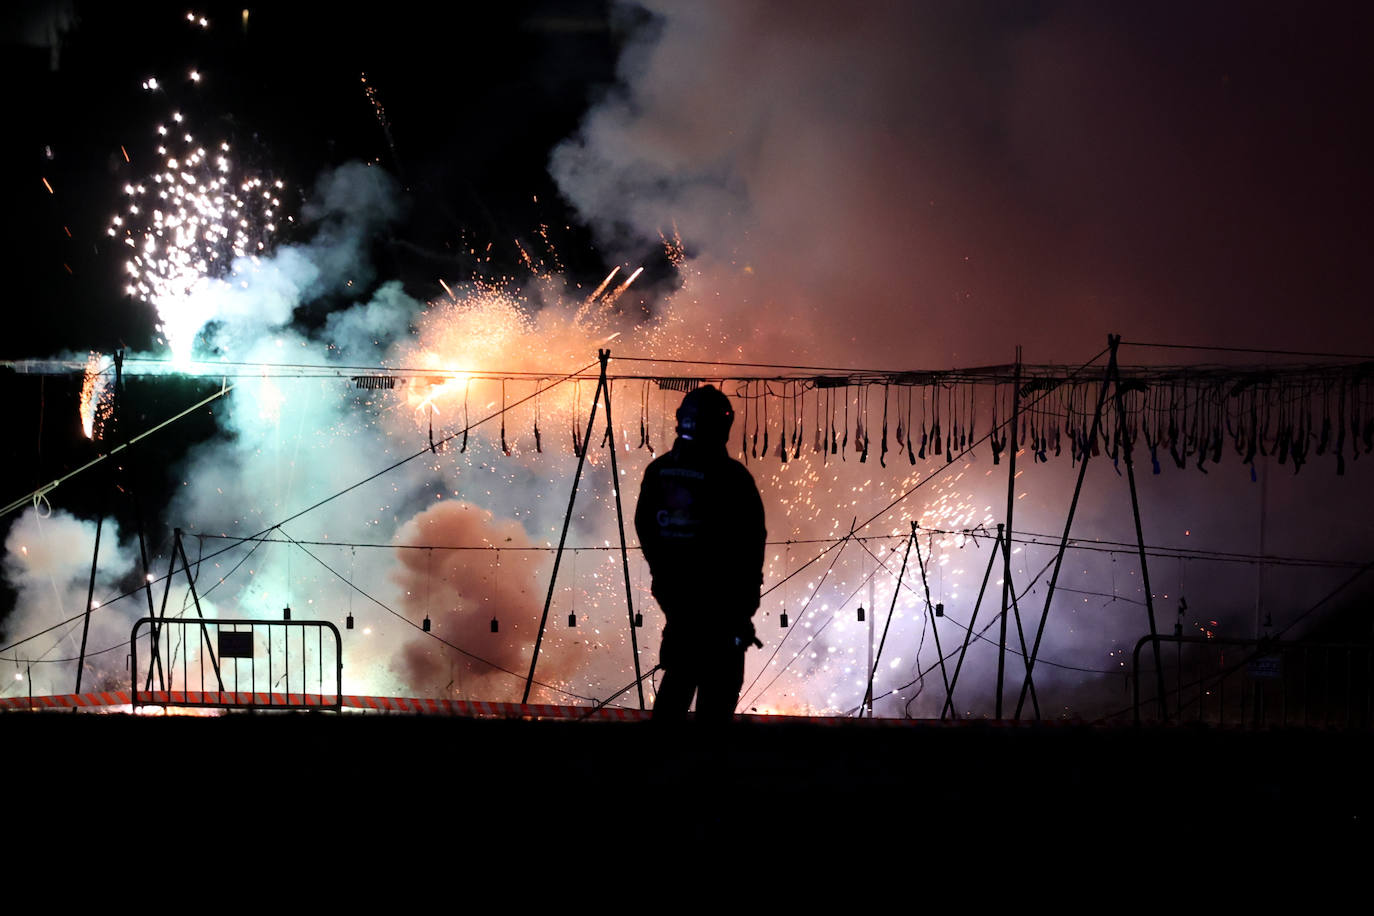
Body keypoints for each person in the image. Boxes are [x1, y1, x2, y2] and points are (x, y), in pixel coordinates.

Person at [634, 385, 766, 722]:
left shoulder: (658, 472)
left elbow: (648, 532)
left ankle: (660, 770)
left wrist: (667, 587)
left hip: (679, 607)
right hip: (723, 613)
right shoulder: (732, 478)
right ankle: (705, 771)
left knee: (675, 691)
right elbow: (751, 548)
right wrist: (743, 609)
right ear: (723, 426)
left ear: (683, 421)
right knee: (716, 708)